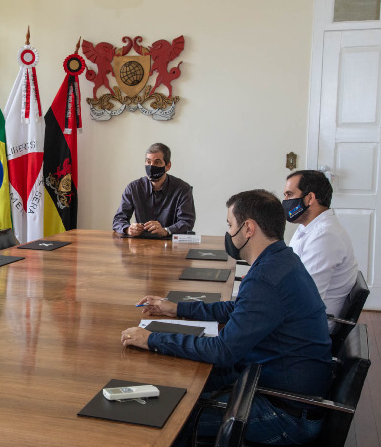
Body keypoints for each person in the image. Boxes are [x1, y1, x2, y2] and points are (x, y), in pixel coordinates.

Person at [121, 190, 332, 445]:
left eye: (230, 225)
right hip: (272, 386)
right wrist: (176, 309)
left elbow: (222, 351)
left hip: (285, 414)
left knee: (169, 416)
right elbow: (236, 309)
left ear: (249, 229)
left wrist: (152, 339)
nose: (229, 233)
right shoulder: (281, 261)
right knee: (181, 385)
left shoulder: (267, 278)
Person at [284, 170, 358, 329]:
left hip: (307, 328)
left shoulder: (325, 236)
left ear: (309, 198)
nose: (285, 201)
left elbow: (304, 299)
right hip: (299, 316)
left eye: (289, 194)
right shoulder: (308, 227)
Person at [112, 142, 195, 237]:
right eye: (148, 162)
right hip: (140, 245)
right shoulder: (133, 188)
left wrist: (166, 230)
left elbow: (187, 222)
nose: (151, 166)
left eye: (157, 162)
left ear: (168, 166)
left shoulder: (183, 189)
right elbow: (118, 219)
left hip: (169, 244)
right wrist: (127, 229)